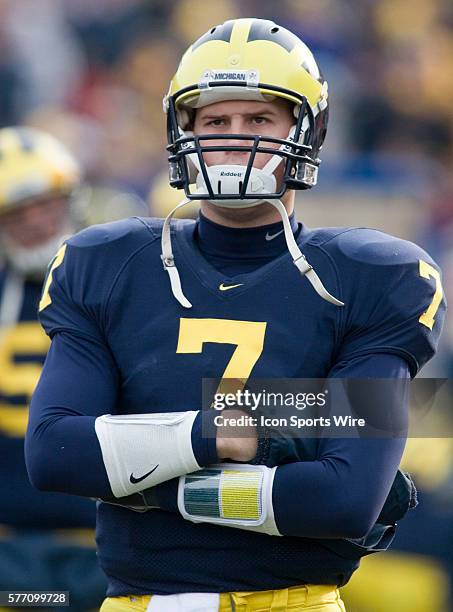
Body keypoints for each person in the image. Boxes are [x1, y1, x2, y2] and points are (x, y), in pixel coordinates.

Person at [25, 19, 446, 612]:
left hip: (291, 601)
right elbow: (52, 452)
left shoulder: (373, 276)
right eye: (216, 121)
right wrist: (220, 432)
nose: (235, 139)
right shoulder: (109, 263)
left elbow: (344, 498)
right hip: (135, 601)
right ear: (184, 131)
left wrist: (142, 481)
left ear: (307, 131)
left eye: (259, 120)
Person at [0, 126, 106, 610]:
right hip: (11, 539)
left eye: (48, 204)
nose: (39, 222)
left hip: (99, 536)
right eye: (19, 212)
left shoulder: (104, 284)